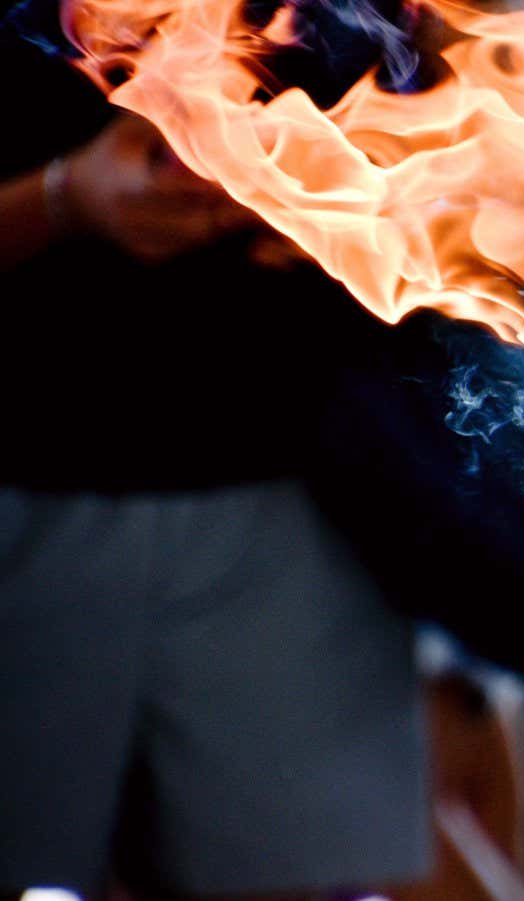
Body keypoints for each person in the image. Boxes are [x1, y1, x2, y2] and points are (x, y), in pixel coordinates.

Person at [0, 11, 439, 896]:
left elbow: (440, 123)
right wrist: (61, 197)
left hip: (294, 482)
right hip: (22, 484)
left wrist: (332, 203)